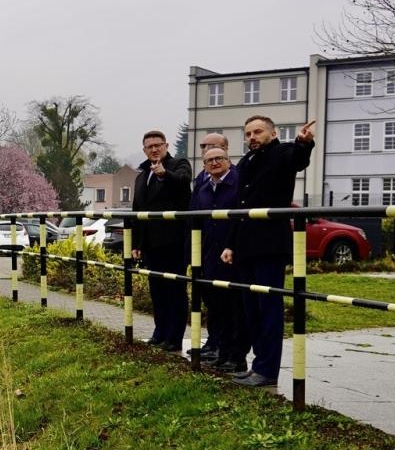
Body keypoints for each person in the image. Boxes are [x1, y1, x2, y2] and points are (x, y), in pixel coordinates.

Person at [220, 116, 316, 387]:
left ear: (272, 133)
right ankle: (257, 365)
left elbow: (299, 159)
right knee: (251, 310)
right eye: (248, 133)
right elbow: (239, 204)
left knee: (268, 308)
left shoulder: (284, 152)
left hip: (269, 245)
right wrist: (230, 243)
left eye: (258, 131)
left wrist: (304, 143)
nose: (252, 136)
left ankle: (268, 370)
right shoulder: (246, 162)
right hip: (245, 245)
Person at [131, 129, 192, 351]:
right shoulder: (141, 175)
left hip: (173, 241)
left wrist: (163, 174)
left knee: (175, 290)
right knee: (157, 290)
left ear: (166, 146)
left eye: (158, 145)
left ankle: (174, 338)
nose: (155, 149)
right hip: (151, 243)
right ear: (145, 150)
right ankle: (160, 332)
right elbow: (138, 210)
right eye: (150, 146)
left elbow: (184, 183)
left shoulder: (179, 165)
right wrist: (137, 243)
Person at [190, 145, 245, 372]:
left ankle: (236, 355)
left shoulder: (238, 184)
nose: (214, 163)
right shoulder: (202, 189)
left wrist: (233, 245)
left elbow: (240, 217)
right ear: (204, 166)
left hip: (232, 253)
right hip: (209, 254)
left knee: (234, 306)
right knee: (215, 306)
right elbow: (195, 222)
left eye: (219, 158)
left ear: (228, 160)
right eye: (209, 160)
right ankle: (220, 352)